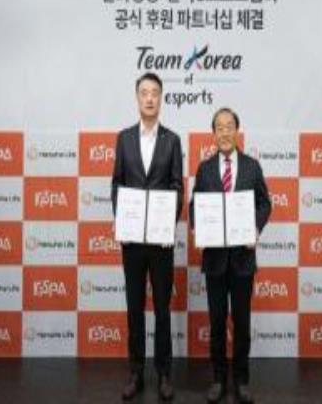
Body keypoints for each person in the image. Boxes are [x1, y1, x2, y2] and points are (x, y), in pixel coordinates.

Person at [189, 108, 271, 404]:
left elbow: (264, 203)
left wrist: (255, 228)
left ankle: (242, 380)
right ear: (214, 133)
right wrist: (199, 227)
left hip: (242, 260)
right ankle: (218, 379)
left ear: (237, 131)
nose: (224, 132)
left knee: (242, 322)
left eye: (229, 126)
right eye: (219, 127)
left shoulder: (252, 166)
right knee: (216, 322)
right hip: (214, 260)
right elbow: (195, 204)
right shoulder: (205, 168)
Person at [111, 72, 183, 401]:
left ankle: (164, 373)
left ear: (161, 98)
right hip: (132, 243)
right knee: (134, 308)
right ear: (137, 98)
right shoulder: (124, 138)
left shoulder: (172, 140)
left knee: (162, 310)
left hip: (161, 242)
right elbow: (117, 183)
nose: (150, 98)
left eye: (155, 92)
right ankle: (136, 372)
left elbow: (177, 186)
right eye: (144, 92)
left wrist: (168, 225)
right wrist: (121, 221)